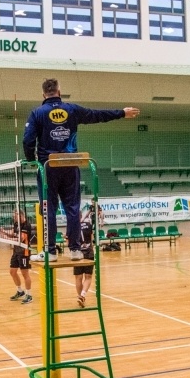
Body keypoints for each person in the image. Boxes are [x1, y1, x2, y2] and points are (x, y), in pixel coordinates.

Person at [23, 78, 140, 262]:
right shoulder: (72, 109)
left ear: (43, 94)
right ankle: (75, 250)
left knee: (49, 209)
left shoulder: (37, 113)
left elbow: (28, 141)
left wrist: (32, 161)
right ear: (59, 92)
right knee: (72, 208)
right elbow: (96, 115)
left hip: (48, 167)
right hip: (70, 165)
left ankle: (51, 252)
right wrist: (121, 113)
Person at [1, 209, 33, 305]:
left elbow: (21, 238)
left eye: (15, 216)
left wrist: (7, 237)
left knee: (25, 273)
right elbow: (13, 233)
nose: (14, 217)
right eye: (14, 216)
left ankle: (29, 295)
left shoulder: (26, 225)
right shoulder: (16, 224)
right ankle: (20, 291)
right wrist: (4, 232)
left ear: (21, 215)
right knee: (12, 272)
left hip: (24, 252)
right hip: (16, 251)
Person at [74, 206, 97, 308]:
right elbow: (91, 239)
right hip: (88, 253)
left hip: (78, 254)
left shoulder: (72, 228)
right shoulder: (88, 225)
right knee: (88, 277)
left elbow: (68, 242)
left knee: (78, 278)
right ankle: (82, 295)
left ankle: (80, 296)